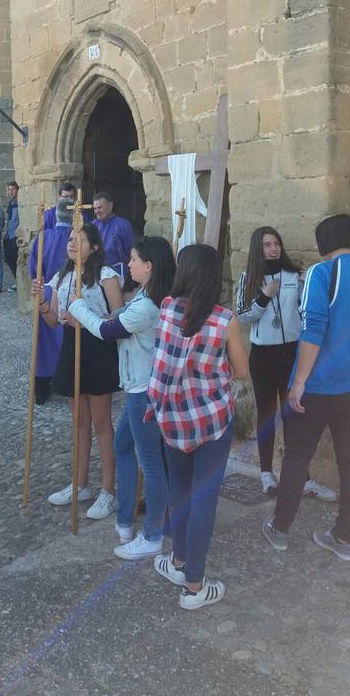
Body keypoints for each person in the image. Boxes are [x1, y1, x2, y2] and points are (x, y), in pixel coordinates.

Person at [147, 244, 249, 610]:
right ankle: (194, 586)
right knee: (204, 495)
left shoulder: (167, 308)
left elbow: (159, 362)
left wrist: (157, 403)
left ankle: (177, 562)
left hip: (172, 416)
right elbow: (241, 371)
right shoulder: (225, 320)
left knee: (180, 488)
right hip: (211, 419)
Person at [68, 236, 176, 559]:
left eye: (132, 259)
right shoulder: (145, 295)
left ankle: (153, 533)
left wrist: (79, 308)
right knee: (123, 447)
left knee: (152, 464)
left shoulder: (148, 305)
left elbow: (108, 330)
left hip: (145, 391)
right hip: (137, 388)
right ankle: (125, 518)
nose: (128, 264)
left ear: (149, 266)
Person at [263, 214, 350, 560]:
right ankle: (343, 537)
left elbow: (313, 329)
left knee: (297, 456)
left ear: (322, 243)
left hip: (317, 385)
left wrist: (298, 382)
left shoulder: (322, 273)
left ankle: (280, 529)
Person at [236, 226, 336, 501]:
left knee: (295, 415)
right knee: (267, 415)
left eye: (276, 243)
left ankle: (302, 478)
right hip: (263, 356)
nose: (273, 249)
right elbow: (242, 316)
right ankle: (267, 473)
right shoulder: (249, 278)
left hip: (292, 352)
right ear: (259, 248)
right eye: (267, 244)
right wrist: (265, 295)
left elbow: (309, 309)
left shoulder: (294, 275)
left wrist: (307, 286)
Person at [31, 224, 123, 520]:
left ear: (94, 247)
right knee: (79, 421)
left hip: (97, 350)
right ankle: (80, 483)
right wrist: (43, 302)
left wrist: (87, 318)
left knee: (101, 423)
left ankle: (108, 491)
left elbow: (119, 320)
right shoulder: (62, 276)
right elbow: (54, 321)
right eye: (70, 239)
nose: (72, 244)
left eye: (79, 240)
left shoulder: (106, 277)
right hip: (72, 348)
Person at [28, 197, 73, 404]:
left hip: (45, 294)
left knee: (44, 343)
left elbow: (33, 270)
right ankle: (68, 383)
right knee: (68, 340)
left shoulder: (43, 237)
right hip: (71, 293)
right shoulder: (76, 238)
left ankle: (42, 387)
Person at [92, 191, 135, 275]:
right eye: (95, 208)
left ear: (110, 206)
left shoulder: (123, 225)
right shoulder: (92, 226)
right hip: (95, 271)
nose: (97, 211)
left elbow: (131, 251)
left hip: (117, 271)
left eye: (100, 207)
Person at [4, 181, 20, 292]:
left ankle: (19, 282)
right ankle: (17, 281)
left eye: (13, 189)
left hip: (15, 235)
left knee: (15, 259)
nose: (11, 192)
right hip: (9, 234)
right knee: (9, 259)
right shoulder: (11, 202)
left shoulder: (20, 202)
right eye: (9, 190)